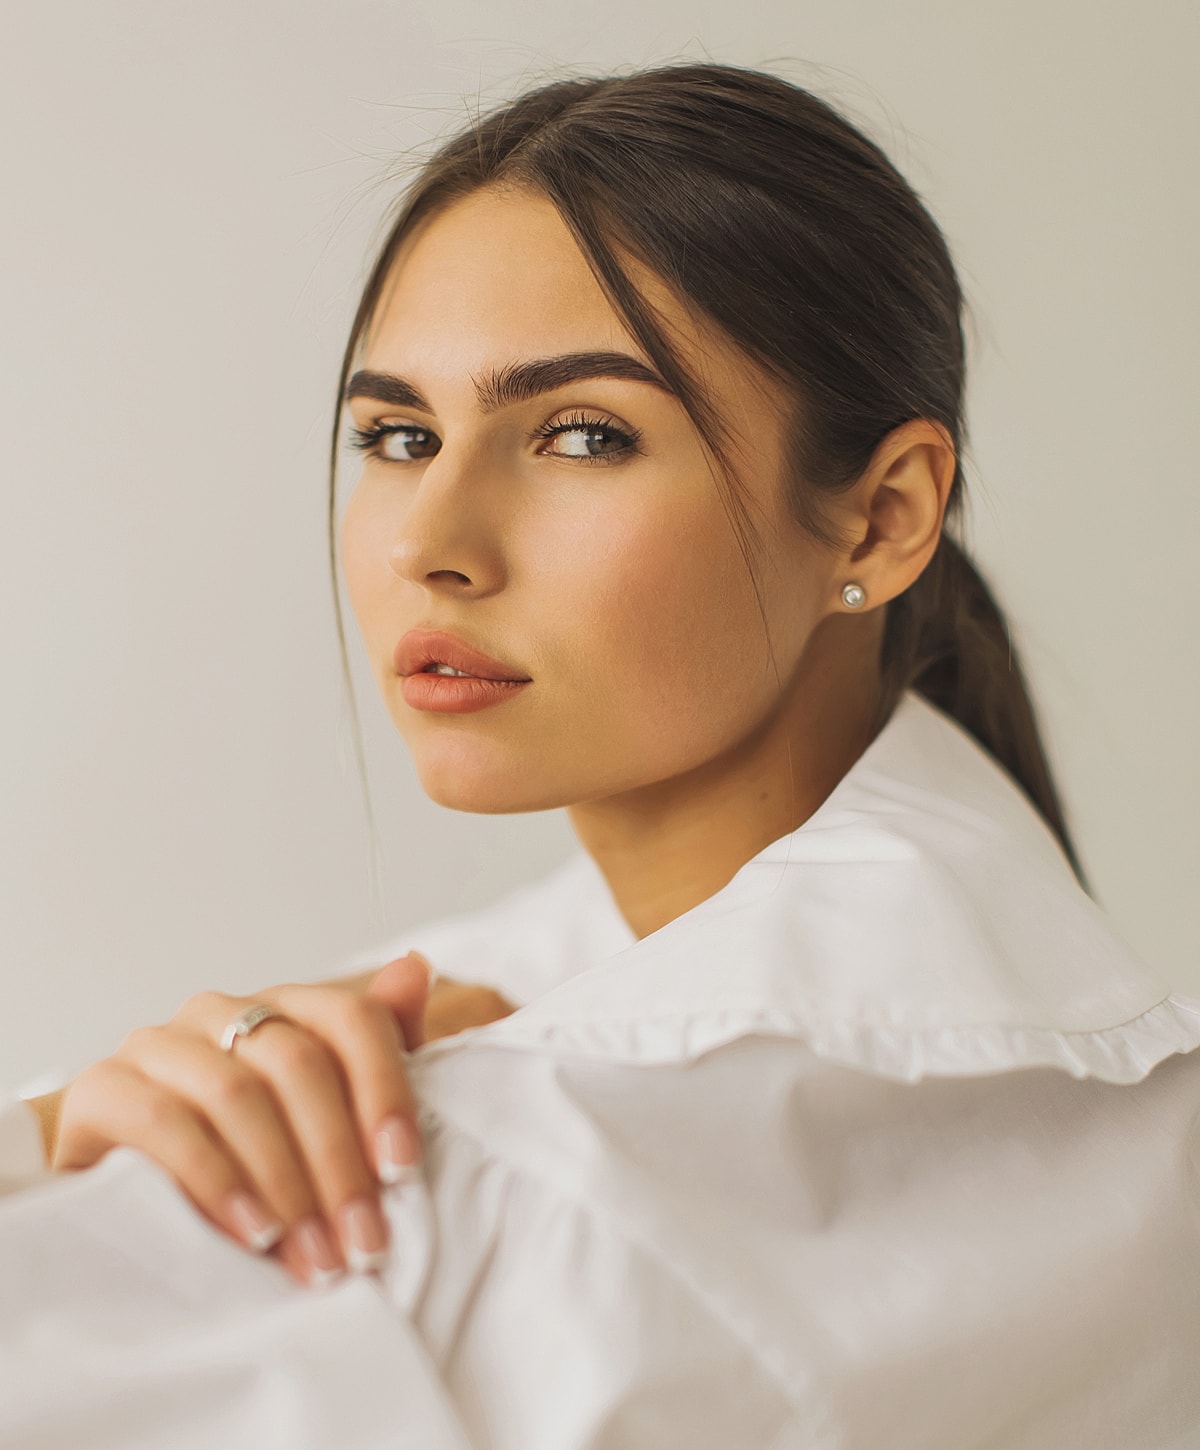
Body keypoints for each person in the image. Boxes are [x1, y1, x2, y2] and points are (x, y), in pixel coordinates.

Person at [3, 60, 1199, 1450]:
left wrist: (54, 1139)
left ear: (880, 520)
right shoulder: (1119, 1090)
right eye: (396, 435)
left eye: (583, 434)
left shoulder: (510, 1170)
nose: (429, 541)